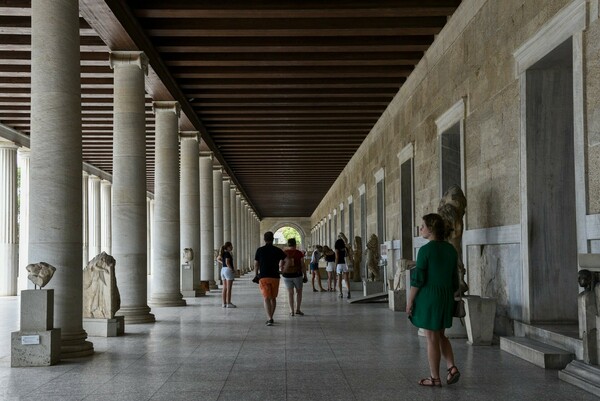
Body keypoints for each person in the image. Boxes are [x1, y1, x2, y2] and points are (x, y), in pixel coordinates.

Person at [407, 213, 460, 387]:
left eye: (423, 226)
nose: (420, 228)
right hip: (445, 297)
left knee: (431, 337)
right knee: (441, 334)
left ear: (431, 229)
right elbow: (454, 280)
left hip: (429, 297)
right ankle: (451, 367)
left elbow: (418, 280)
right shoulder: (451, 250)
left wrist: (409, 301)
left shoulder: (425, 250)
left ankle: (435, 378)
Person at [253, 231, 287, 326]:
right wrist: (283, 270)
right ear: (272, 239)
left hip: (264, 276)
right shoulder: (277, 250)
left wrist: (256, 274)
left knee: (266, 298)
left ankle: (269, 318)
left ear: (264, 239)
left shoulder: (260, 250)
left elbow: (256, 264)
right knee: (273, 298)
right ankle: (271, 317)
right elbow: (287, 259)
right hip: (275, 277)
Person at [280, 238, 308, 316]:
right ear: (295, 244)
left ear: (288, 244)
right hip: (297, 275)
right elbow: (303, 265)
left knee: (290, 293)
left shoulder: (284, 253)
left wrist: (282, 271)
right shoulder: (299, 253)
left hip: (287, 276)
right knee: (299, 292)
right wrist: (305, 275)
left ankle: (291, 310)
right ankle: (298, 309)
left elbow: (281, 264)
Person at [219, 242, 236, 308]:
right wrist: (232, 269)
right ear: (228, 247)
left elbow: (218, 259)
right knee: (229, 288)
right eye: (231, 246)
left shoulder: (223, 253)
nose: (232, 247)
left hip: (223, 269)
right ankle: (228, 303)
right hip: (228, 270)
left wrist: (222, 263)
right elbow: (227, 262)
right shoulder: (227, 253)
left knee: (224, 288)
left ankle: (224, 303)